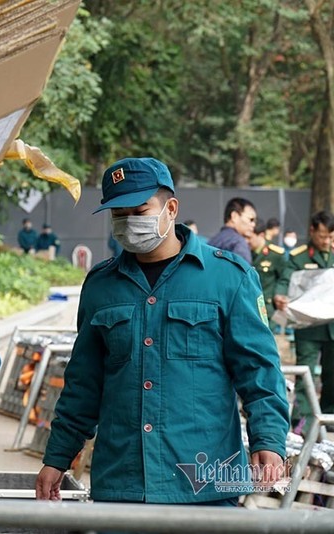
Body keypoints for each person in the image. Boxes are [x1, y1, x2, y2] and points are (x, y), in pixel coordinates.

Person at [35, 157, 289, 507]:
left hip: (204, 487)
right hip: (122, 486)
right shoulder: (101, 287)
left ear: (170, 208)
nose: (128, 223)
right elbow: (84, 383)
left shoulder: (229, 278)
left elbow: (259, 371)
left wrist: (268, 441)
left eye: (139, 210)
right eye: (118, 215)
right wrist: (57, 457)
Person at [274, 210, 334, 434]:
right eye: (322, 236)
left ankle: (329, 418)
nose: (326, 241)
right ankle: (302, 424)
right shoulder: (300, 256)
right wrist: (280, 296)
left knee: (332, 374)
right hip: (308, 328)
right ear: (312, 231)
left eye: (330, 236)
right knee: (305, 374)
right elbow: (285, 280)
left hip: (332, 328)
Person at [248, 219, 286, 327]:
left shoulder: (275, 254)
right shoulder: (244, 252)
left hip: (268, 310)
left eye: (250, 237)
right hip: (249, 308)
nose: (246, 241)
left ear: (261, 235)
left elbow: (284, 279)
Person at [207, 197, 257, 261]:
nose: (253, 224)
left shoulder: (213, 240)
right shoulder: (238, 242)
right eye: (251, 219)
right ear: (234, 216)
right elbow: (242, 270)